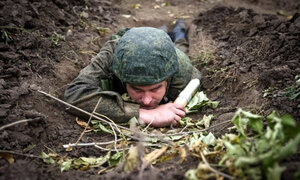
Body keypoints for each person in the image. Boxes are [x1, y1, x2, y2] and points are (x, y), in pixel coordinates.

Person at [64, 20, 201, 127]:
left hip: (173, 51)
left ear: (168, 81)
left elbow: (196, 78)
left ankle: (178, 30)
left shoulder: (181, 72)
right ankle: (161, 30)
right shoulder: (114, 55)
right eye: (136, 88)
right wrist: (144, 114)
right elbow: (74, 95)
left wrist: (179, 102)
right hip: (130, 43)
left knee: (180, 45)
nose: (146, 100)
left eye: (155, 88)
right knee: (151, 37)